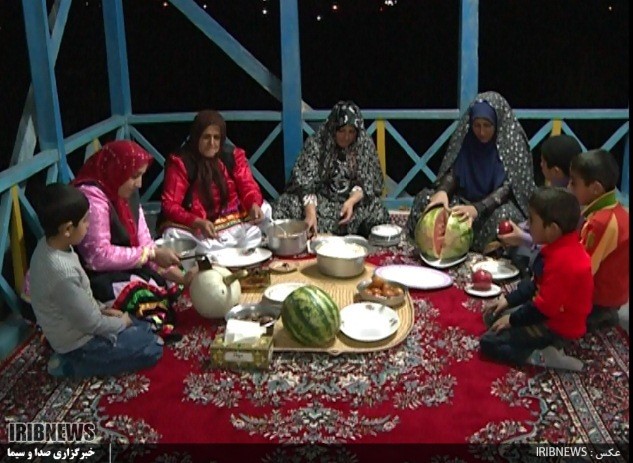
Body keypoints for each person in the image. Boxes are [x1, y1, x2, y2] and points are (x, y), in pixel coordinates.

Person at [28, 183, 163, 378]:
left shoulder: (50, 245)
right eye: (85, 221)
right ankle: (70, 366)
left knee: (144, 328)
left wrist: (103, 310)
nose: (89, 225)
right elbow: (91, 324)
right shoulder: (62, 272)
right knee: (152, 348)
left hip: (81, 323)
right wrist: (121, 323)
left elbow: (83, 304)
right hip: (80, 343)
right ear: (67, 229)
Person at [73, 140, 184, 341]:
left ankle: (144, 324)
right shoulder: (93, 198)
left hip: (125, 264)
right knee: (142, 296)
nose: (139, 184)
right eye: (134, 176)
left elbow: (145, 243)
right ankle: (136, 331)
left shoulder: (125, 193)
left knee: (175, 276)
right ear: (116, 170)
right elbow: (98, 256)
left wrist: (170, 270)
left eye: (141, 175)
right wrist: (151, 255)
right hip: (96, 274)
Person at [405, 91, 535, 252]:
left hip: (492, 209)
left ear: (498, 123)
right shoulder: (467, 139)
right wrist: (443, 192)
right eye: (476, 125)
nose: (481, 132)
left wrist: (477, 209)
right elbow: (454, 171)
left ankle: (481, 247)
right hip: (463, 203)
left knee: (506, 218)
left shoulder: (511, 142)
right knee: (425, 199)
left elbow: (509, 188)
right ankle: (437, 245)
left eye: (487, 125)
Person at [480, 187, 593, 371]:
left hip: (556, 326)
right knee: (495, 317)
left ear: (552, 230)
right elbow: (535, 284)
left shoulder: (564, 262)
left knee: (489, 343)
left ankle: (541, 356)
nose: (528, 225)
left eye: (532, 220)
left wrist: (512, 320)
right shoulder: (558, 248)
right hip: (548, 314)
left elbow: (543, 309)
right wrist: (508, 301)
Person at [160, 110, 272, 253]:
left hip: (232, 218)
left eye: (216, 138)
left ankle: (232, 248)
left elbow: (248, 185)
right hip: (200, 226)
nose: (212, 143)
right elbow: (169, 205)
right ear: (196, 136)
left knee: (264, 209)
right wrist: (196, 221)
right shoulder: (180, 162)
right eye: (206, 137)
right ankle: (235, 250)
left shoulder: (232, 156)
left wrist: (252, 204)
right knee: (172, 233)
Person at [272, 100, 390, 237]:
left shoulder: (363, 145)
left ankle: (348, 229)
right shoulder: (317, 143)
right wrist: (310, 213)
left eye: (351, 132)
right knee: (284, 204)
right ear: (333, 128)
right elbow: (304, 183)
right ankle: (317, 226)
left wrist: (351, 201)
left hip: (351, 206)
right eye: (341, 131)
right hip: (321, 205)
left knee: (378, 211)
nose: (346, 137)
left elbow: (369, 182)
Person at [496, 135, 584, 269]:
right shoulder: (555, 188)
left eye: (543, 162)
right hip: (542, 240)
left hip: (556, 255)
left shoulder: (568, 203)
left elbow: (555, 242)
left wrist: (522, 238)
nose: (540, 165)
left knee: (521, 254)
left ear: (556, 171)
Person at [568, 149, 629, 331]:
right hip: (615, 295)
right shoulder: (619, 211)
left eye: (574, 183)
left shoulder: (600, 222)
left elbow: (583, 269)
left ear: (595, 188)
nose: (570, 187)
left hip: (598, 301)